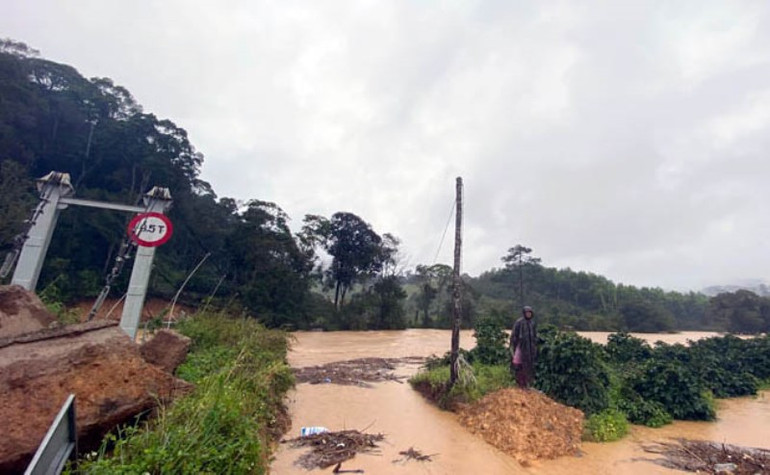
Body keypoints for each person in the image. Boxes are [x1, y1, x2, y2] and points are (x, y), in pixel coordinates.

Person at [510, 305, 537, 389]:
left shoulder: (532, 323)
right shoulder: (519, 322)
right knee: (518, 365)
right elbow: (514, 335)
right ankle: (519, 384)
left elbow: (534, 335)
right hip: (520, 347)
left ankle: (526, 384)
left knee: (528, 366)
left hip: (530, 348)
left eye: (530, 312)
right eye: (527, 312)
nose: (528, 314)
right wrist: (514, 345)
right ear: (524, 313)